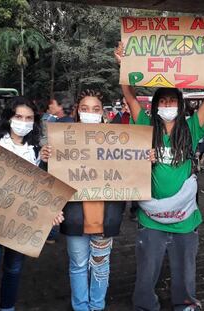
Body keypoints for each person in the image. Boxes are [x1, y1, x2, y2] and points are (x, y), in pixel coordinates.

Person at [115, 42, 204, 311]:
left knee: (185, 268)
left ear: (180, 105)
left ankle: (186, 304)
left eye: (172, 100)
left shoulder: (192, 127)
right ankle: (145, 305)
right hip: (150, 218)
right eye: (163, 100)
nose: (167, 104)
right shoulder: (145, 125)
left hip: (185, 217)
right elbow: (130, 96)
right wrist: (122, 64)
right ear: (156, 105)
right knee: (147, 270)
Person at [0, 96, 63, 311]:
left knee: (13, 271)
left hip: (20, 223)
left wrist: (50, 211)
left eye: (28, 118)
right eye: (18, 116)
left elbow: (39, 190)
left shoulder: (36, 151)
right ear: (9, 118)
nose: (23, 122)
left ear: (34, 121)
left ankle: (7, 308)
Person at [41, 89, 126, 311]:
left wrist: (145, 158)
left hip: (105, 219)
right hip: (75, 218)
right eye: (85, 109)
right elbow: (48, 178)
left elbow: (131, 171)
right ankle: (80, 307)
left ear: (103, 113)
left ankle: (97, 306)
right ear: (78, 112)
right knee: (78, 266)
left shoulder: (117, 141)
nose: (91, 113)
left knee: (101, 266)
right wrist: (45, 159)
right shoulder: (63, 140)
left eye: (96, 109)